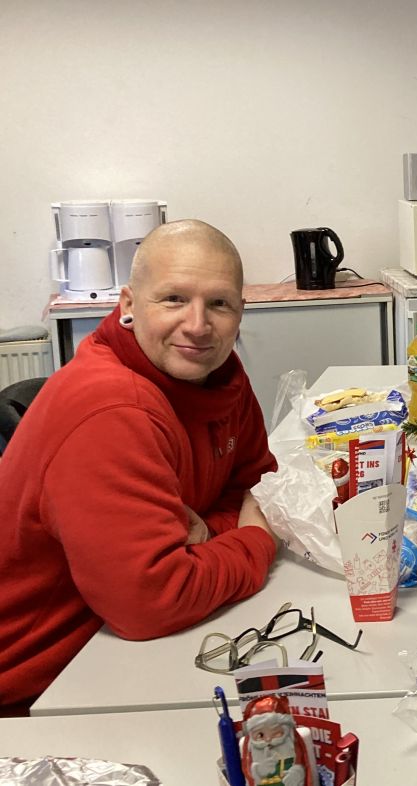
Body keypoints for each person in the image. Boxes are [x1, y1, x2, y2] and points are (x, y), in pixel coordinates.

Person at [0, 219, 278, 715]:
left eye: (219, 304)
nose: (198, 325)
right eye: (173, 299)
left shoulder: (221, 379)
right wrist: (256, 540)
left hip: (116, 646)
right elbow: (150, 601)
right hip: (33, 690)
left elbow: (258, 487)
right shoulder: (111, 409)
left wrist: (203, 534)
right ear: (128, 304)